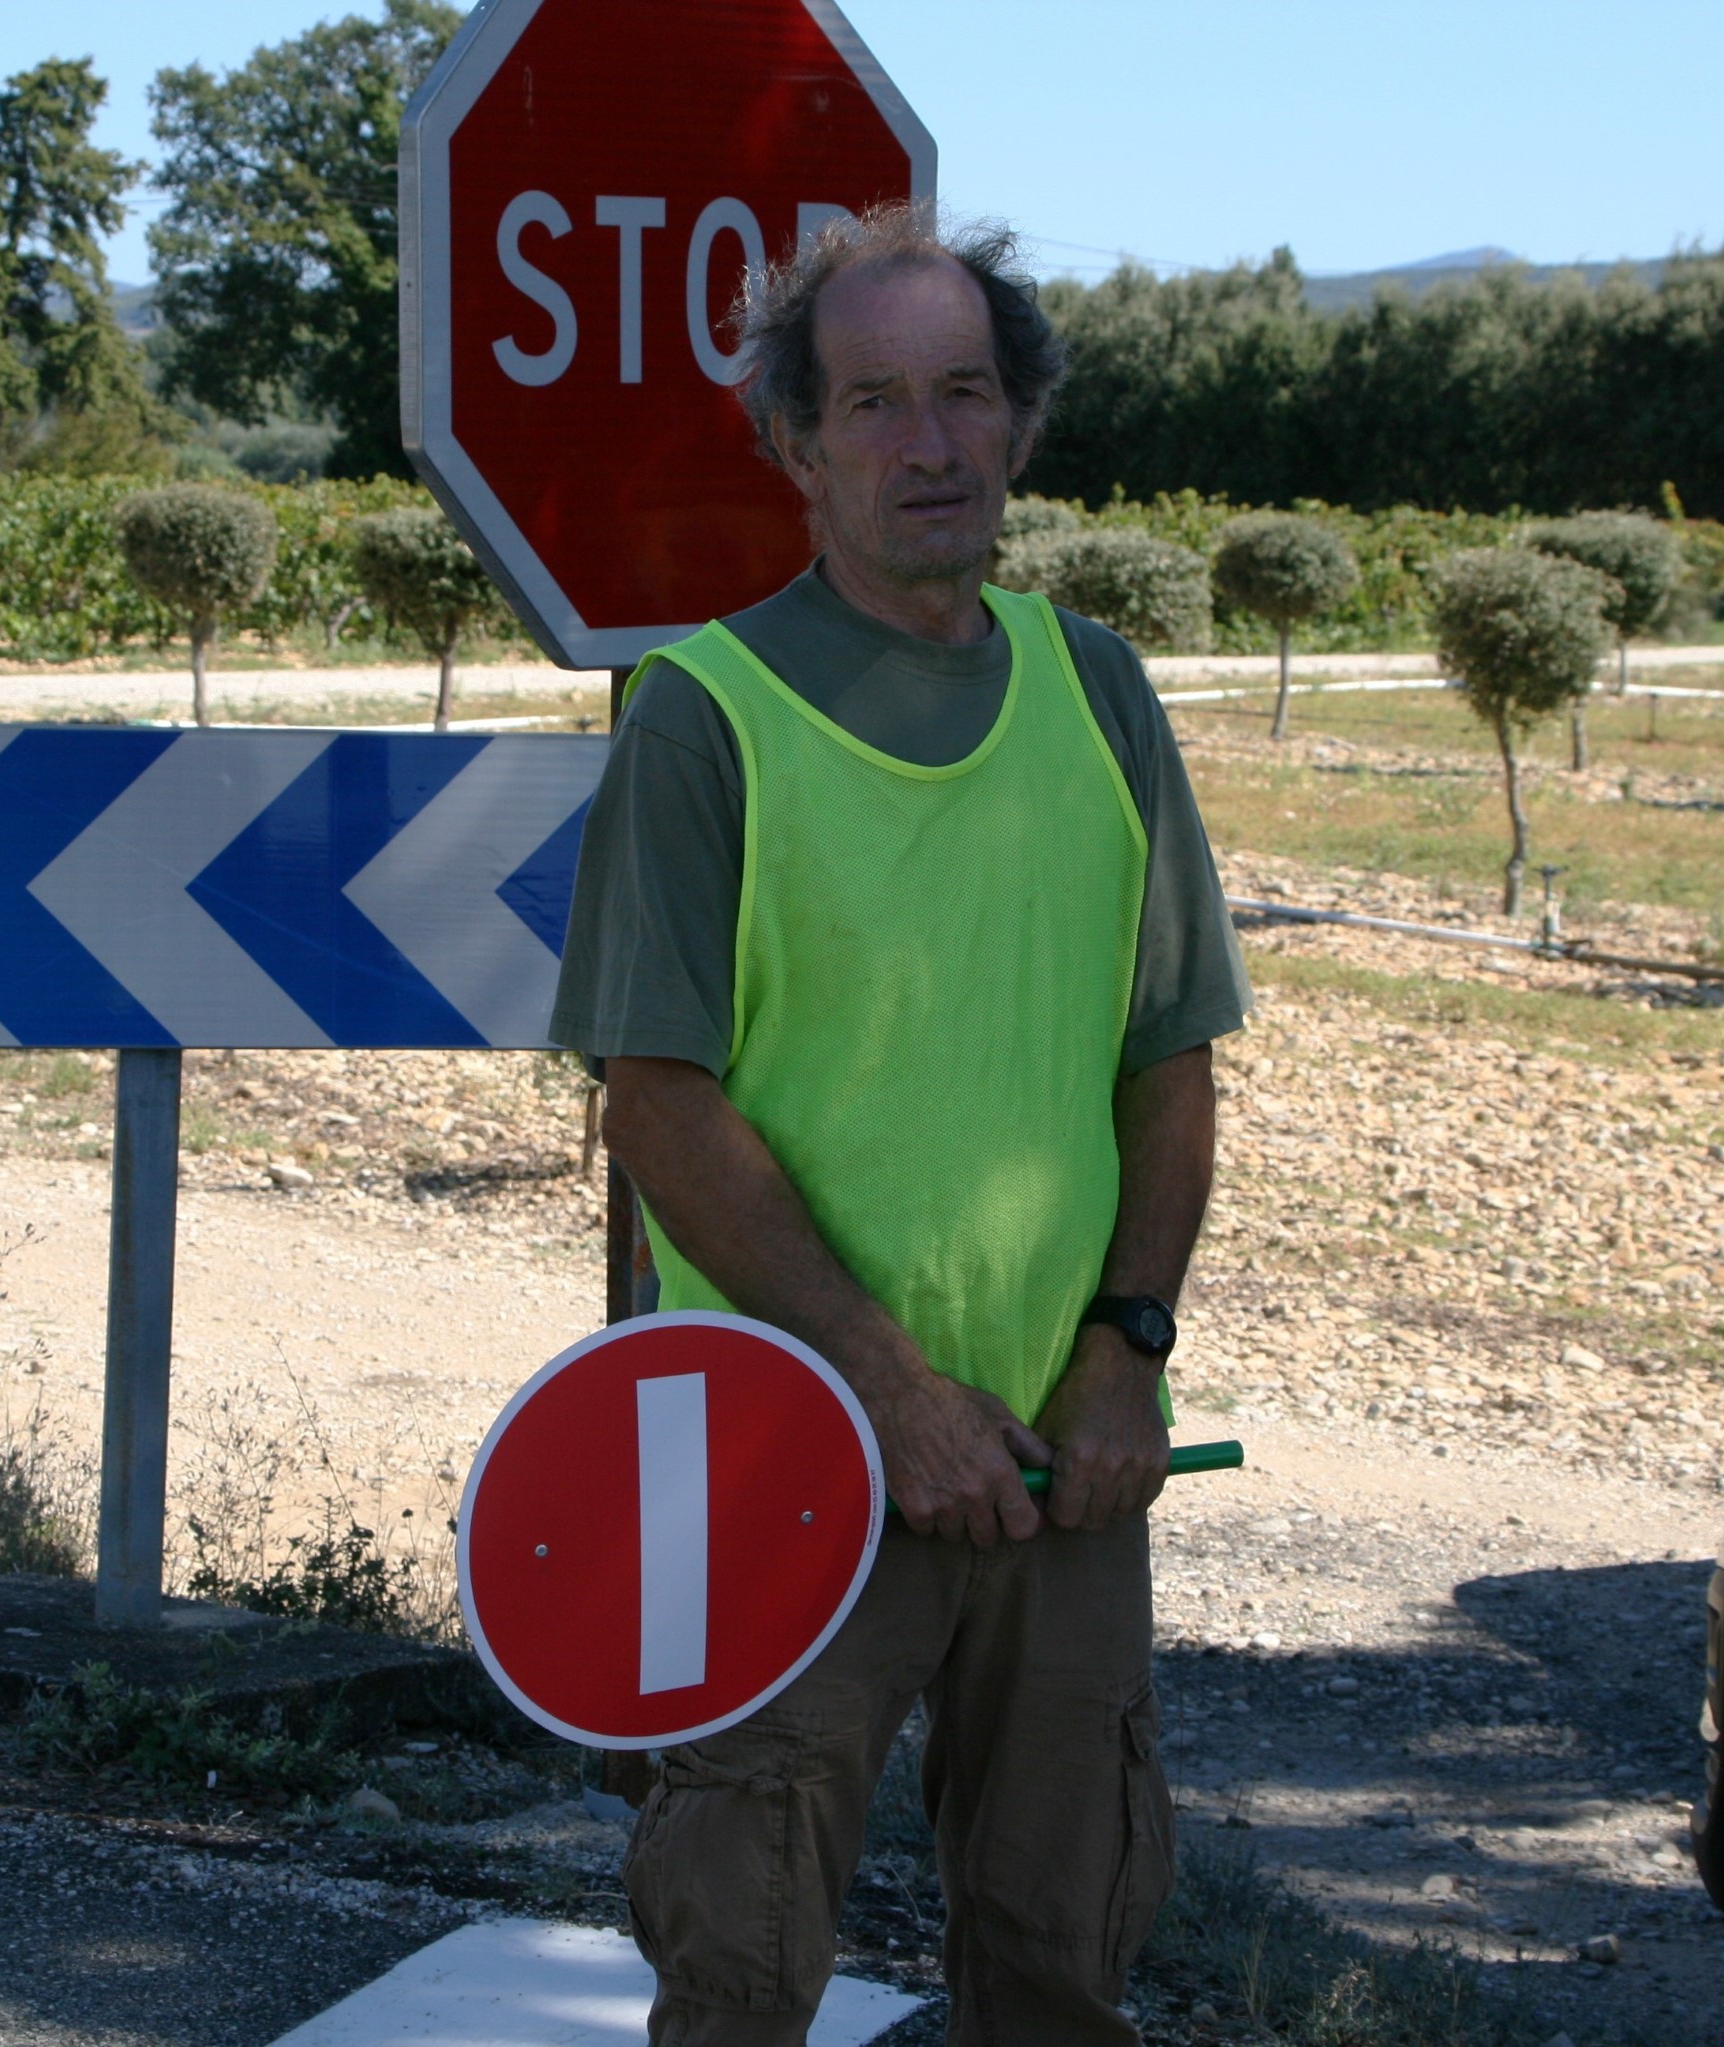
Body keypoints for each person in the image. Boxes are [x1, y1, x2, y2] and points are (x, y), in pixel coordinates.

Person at [547, 203, 1250, 2047]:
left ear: (1019, 423)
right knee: (743, 1965)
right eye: (871, 403)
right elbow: (654, 1104)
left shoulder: (1099, 691)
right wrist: (889, 1385)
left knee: (1061, 1961)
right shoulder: (705, 716)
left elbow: (1166, 1064)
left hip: (1064, 1462)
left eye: (963, 393)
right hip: (779, 1450)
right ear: (796, 447)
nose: (926, 444)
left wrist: (1126, 1352)